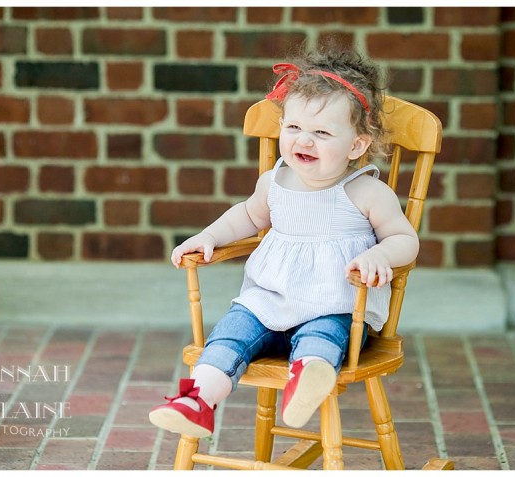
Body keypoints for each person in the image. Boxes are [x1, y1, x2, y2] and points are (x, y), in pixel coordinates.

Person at [149, 49, 418, 437]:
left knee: (320, 337)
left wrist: (380, 254)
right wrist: (210, 235)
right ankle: (197, 401)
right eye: (293, 128)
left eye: (322, 133)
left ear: (357, 146)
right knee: (229, 333)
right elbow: (247, 216)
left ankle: (306, 381)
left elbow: (404, 239)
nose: (302, 141)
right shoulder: (274, 182)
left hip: (335, 303)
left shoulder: (366, 191)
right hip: (268, 299)